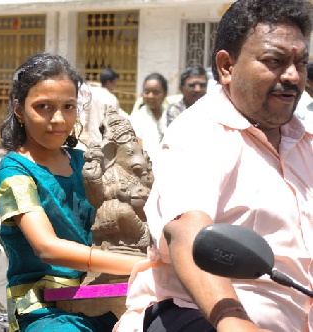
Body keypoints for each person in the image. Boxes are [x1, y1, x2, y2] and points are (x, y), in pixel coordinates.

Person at [114, 0, 313, 331]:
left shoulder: (306, 141)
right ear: (227, 66)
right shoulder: (199, 133)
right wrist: (232, 320)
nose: (292, 76)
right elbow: (188, 231)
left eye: (301, 63)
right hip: (199, 316)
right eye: (274, 61)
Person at [0, 52, 144, 332]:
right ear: (18, 109)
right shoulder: (14, 172)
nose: (59, 119)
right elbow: (47, 248)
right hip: (44, 308)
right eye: (44, 107)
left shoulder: (82, 160)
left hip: (104, 292)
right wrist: (138, 264)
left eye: (68, 106)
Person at [128, 73, 168, 161]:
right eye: (147, 92)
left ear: (165, 94)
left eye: (156, 92)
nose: (150, 96)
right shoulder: (137, 118)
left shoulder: (170, 116)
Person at [79, 67, 121, 147]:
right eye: (115, 82)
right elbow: (114, 124)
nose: (116, 85)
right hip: (104, 143)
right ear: (109, 82)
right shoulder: (111, 99)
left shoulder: (91, 94)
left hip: (89, 141)